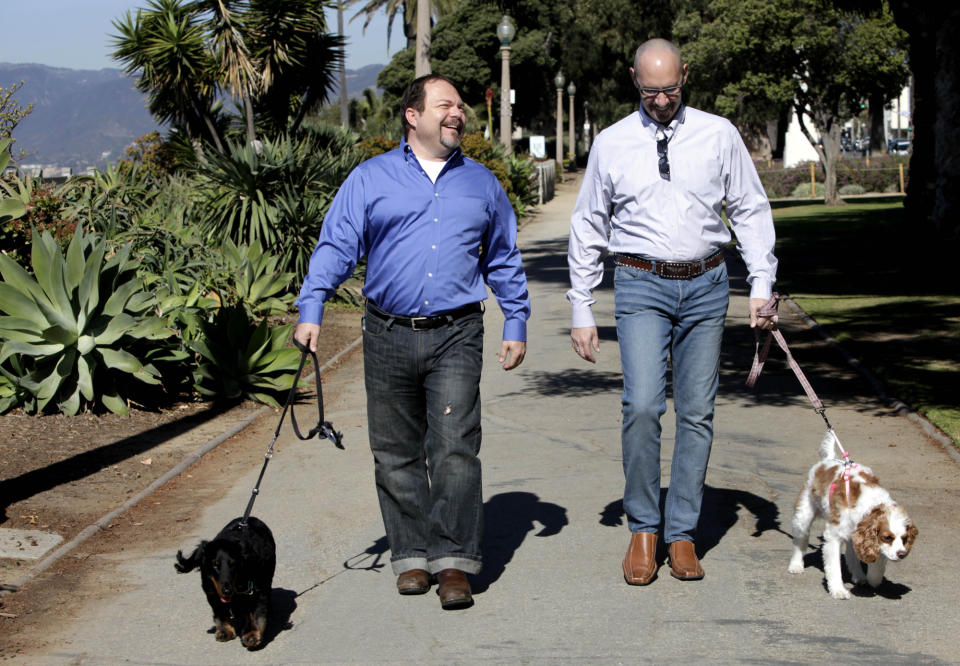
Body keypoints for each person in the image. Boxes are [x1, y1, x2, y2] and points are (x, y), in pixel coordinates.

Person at [294, 74, 530, 610]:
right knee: (395, 452)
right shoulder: (370, 179)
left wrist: (515, 321)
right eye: (445, 104)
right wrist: (312, 309)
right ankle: (411, 556)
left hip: (457, 333)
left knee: (453, 449)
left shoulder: (482, 184)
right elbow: (336, 245)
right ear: (413, 115)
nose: (458, 113)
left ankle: (454, 563)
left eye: (460, 106)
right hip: (386, 333)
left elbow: (503, 258)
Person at [567, 38, 778, 585]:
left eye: (670, 88)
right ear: (633, 80)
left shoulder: (719, 134)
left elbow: (750, 208)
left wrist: (761, 284)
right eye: (649, 90)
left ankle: (681, 533)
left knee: (697, 412)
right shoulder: (612, 142)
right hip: (640, 283)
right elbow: (589, 223)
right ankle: (644, 529)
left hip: (707, 284)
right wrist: (582, 306)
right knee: (640, 405)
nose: (660, 99)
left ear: (685, 74)